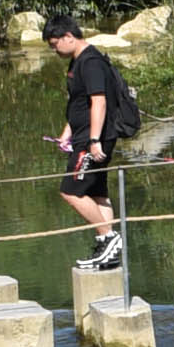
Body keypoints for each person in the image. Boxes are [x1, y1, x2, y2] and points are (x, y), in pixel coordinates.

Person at [50, 17, 137, 277]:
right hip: (83, 135)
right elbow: (79, 102)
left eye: (55, 44)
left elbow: (98, 102)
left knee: (71, 191)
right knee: (97, 192)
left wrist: (95, 140)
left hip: (93, 138)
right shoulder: (78, 62)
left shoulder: (91, 62)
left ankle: (109, 238)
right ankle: (107, 251)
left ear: (68, 36)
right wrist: (67, 132)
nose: (54, 50)